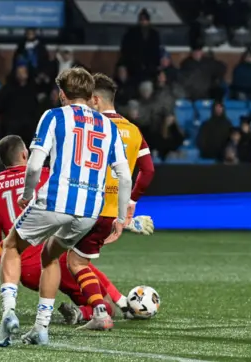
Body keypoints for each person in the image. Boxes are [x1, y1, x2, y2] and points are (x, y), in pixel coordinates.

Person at [0, 136, 154, 326]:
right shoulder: (45, 175)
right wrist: (127, 221)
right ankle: (89, 312)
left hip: (20, 268)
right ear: (26, 154)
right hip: (49, 259)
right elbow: (81, 208)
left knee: (25, 244)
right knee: (100, 296)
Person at [0, 67, 132, 347]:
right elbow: (125, 175)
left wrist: (28, 193)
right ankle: (40, 328)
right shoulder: (108, 126)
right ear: (91, 95)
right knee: (50, 255)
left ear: (62, 94)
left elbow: (34, 164)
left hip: (56, 200)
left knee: (11, 246)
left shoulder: (54, 116)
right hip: (89, 211)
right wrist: (120, 218)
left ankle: (8, 311)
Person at [58, 73, 155, 329]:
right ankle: (111, 304)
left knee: (58, 257)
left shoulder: (94, 126)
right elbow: (148, 171)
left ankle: (88, 310)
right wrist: (130, 204)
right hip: (114, 212)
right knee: (77, 260)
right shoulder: (133, 131)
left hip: (85, 204)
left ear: (96, 99)